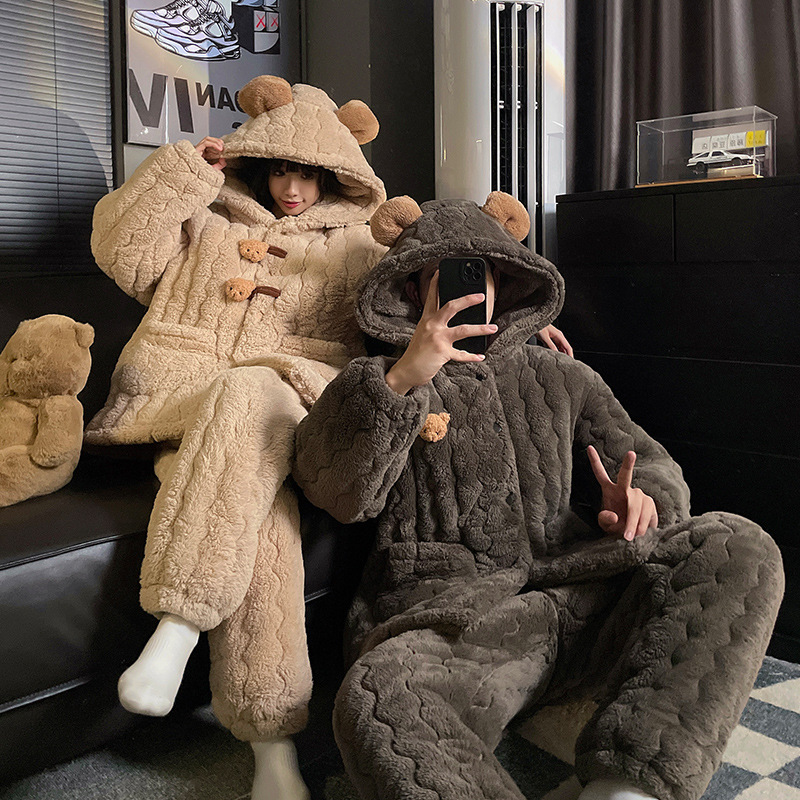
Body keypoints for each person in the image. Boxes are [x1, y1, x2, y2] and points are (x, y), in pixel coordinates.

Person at [292, 192, 784, 800]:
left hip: (580, 583)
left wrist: (642, 502)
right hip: (458, 621)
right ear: (413, 289)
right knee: (377, 696)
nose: (463, 290)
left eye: (479, 274)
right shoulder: (376, 381)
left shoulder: (560, 373)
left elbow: (649, 460)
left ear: (502, 282)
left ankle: (624, 790)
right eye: (441, 278)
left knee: (736, 543)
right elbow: (333, 491)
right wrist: (403, 379)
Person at [84, 74, 388, 800]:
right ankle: (272, 752)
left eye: (310, 175)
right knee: (260, 514)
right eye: (281, 169)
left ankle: (178, 628)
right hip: (184, 400)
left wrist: (512, 334)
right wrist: (182, 175)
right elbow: (121, 253)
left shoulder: (359, 244)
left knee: (251, 400)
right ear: (260, 162)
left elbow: (407, 316)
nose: (293, 188)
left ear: (337, 175)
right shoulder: (207, 215)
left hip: (288, 406)